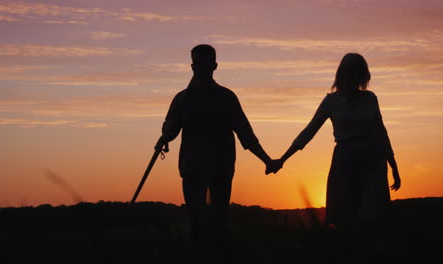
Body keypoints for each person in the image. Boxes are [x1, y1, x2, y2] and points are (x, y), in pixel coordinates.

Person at [268, 53, 401, 232]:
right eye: (349, 72)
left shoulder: (370, 98)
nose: (353, 77)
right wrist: (282, 159)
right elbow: (309, 131)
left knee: (371, 216)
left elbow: (381, 132)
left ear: (362, 76)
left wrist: (393, 166)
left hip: (372, 161)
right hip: (345, 160)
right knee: (346, 215)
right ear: (342, 74)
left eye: (357, 73)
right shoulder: (331, 101)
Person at [154, 44, 273, 244]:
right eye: (197, 63)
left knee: (219, 219)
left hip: (220, 167)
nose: (200, 68)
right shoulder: (182, 99)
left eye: (205, 63)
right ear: (192, 66)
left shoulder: (226, 98)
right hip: (191, 166)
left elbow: (245, 134)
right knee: (195, 219)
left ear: (214, 65)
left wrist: (266, 160)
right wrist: (164, 137)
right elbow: (170, 131)